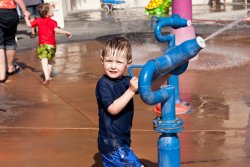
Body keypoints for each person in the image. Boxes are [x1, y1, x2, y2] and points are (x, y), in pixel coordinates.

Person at [95, 37, 144, 167]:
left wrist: (167, 73)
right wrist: (131, 91)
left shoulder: (126, 81)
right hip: (112, 144)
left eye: (118, 62)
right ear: (102, 60)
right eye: (109, 61)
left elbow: (149, 87)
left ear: (128, 64)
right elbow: (112, 108)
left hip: (121, 140)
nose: (113, 66)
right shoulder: (104, 84)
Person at [24, 3, 72, 85]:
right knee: (50, 61)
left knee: (44, 59)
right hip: (52, 45)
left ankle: (46, 76)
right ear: (47, 13)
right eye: (52, 10)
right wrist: (66, 32)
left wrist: (25, 17)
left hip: (42, 44)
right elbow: (57, 30)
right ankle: (48, 76)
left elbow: (29, 25)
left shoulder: (38, 20)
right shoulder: (53, 22)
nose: (53, 11)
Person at [0, 0, 30, 83]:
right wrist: (25, 11)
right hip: (8, 12)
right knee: (10, 40)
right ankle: (10, 67)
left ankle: (1, 74)